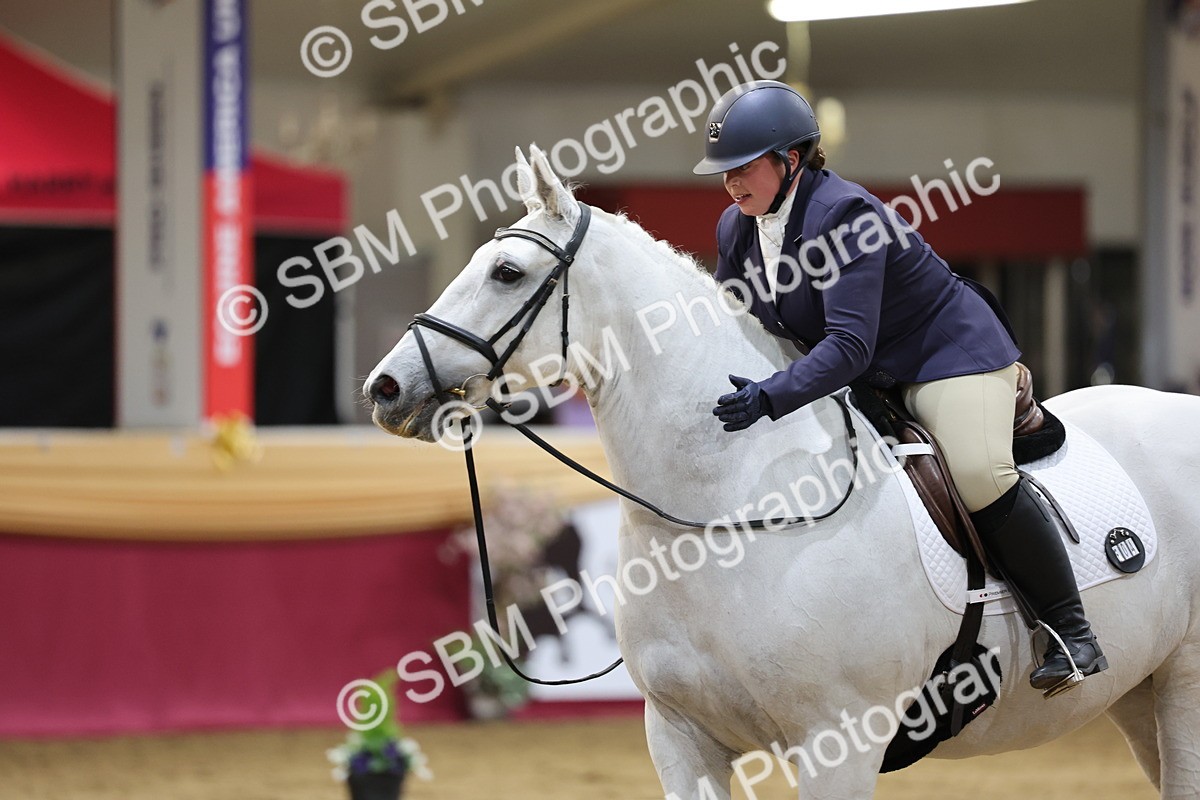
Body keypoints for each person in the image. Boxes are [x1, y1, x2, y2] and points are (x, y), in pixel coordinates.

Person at [696, 79, 1106, 692]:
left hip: (946, 356)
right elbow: (738, 324)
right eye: (723, 171)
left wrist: (772, 397)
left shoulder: (846, 214)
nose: (730, 183)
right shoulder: (735, 227)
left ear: (791, 160)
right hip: (868, 376)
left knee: (976, 471)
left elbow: (849, 343)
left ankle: (1072, 632)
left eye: (743, 167)